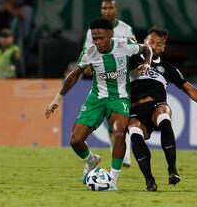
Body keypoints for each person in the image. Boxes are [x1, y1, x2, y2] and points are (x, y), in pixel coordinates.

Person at [45, 17, 153, 191]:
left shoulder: (124, 45)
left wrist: (147, 62)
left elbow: (147, 48)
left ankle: (113, 181)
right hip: (96, 97)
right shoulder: (89, 52)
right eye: (94, 38)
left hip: (119, 98)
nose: (97, 42)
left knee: (119, 133)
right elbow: (73, 75)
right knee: (75, 140)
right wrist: (57, 99)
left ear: (110, 34)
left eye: (101, 38)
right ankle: (91, 160)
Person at [128, 26, 197, 191]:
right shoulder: (131, 60)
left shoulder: (168, 68)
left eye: (158, 44)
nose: (153, 46)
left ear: (163, 47)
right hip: (135, 109)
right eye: (151, 42)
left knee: (163, 115)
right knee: (134, 132)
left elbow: (190, 89)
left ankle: (172, 169)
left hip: (156, 106)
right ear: (144, 41)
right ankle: (149, 181)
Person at [84, 0, 136, 168]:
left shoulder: (125, 29)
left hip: (123, 81)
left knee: (121, 119)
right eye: (104, 8)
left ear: (116, 10)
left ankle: (125, 153)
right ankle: (116, 148)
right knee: (109, 120)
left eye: (110, 8)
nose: (107, 11)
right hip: (103, 81)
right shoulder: (92, 31)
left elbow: (135, 51)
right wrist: (88, 66)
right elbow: (88, 52)